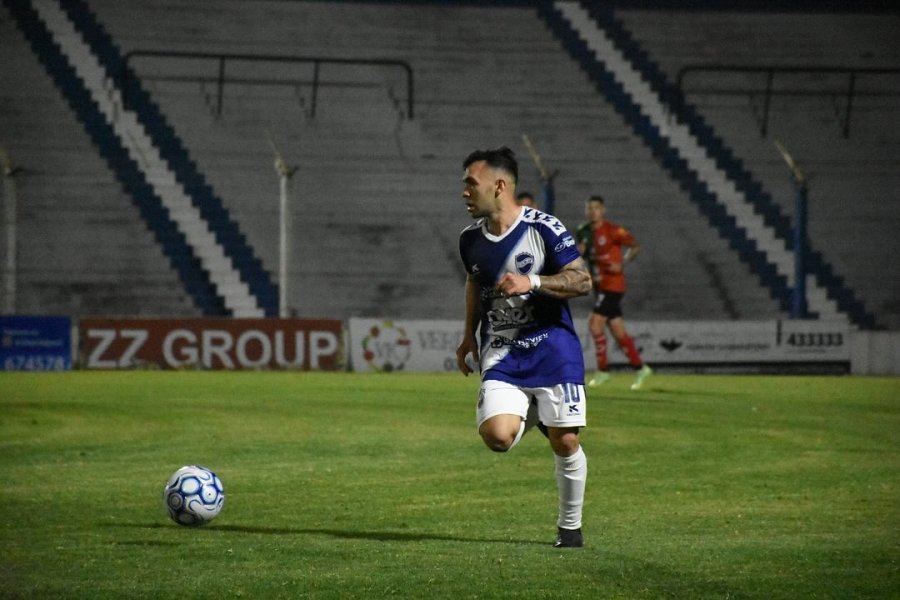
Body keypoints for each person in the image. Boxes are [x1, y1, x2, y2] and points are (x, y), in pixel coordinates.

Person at [455, 147, 592, 548]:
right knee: (498, 437)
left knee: (565, 441)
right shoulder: (469, 241)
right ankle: (531, 408)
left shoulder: (544, 228)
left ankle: (570, 529)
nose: (464, 191)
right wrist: (467, 334)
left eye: (470, 183)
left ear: (499, 186)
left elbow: (582, 282)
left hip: (553, 347)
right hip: (502, 349)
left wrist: (531, 282)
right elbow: (472, 282)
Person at [575, 195, 652, 390]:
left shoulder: (612, 230)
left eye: (596, 208)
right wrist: (579, 252)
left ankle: (602, 371)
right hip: (600, 287)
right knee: (618, 331)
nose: (593, 211)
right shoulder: (583, 231)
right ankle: (640, 368)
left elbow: (635, 246)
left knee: (594, 323)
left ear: (603, 210)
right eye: (589, 208)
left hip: (613, 286)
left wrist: (623, 263)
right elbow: (581, 254)